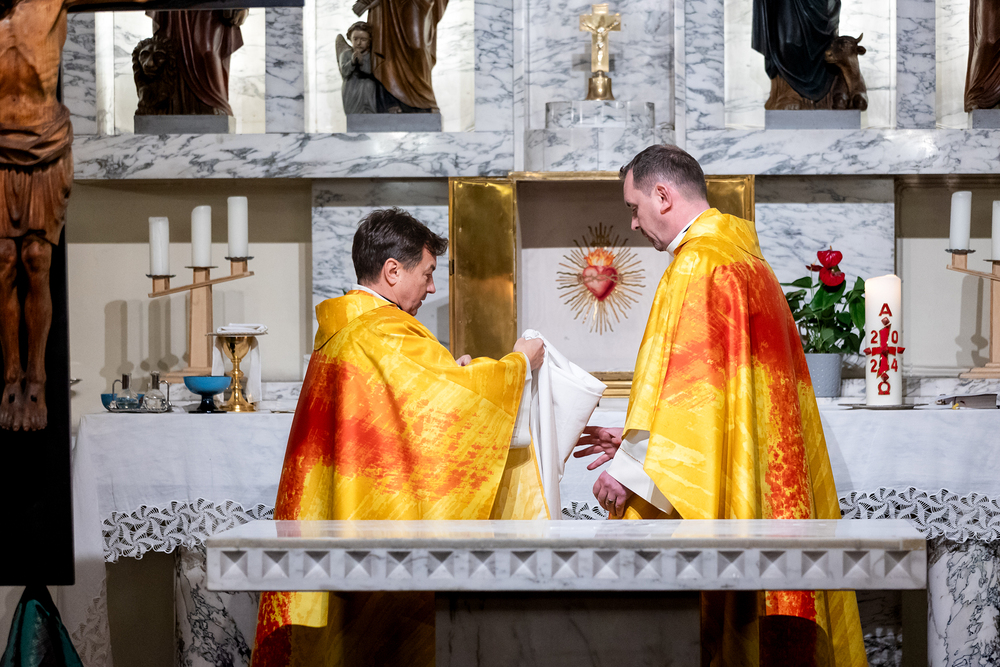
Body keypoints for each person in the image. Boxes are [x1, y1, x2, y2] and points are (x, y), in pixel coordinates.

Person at [573, 145, 867, 666]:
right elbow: (728, 403)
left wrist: (633, 467)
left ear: (662, 195)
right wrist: (644, 445)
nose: (634, 224)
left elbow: (692, 393)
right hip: (767, 483)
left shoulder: (698, 264)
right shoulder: (748, 260)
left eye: (634, 208)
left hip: (728, 493)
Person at [251, 208, 546, 667]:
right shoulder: (381, 331)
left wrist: (449, 379)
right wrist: (520, 363)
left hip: (338, 517)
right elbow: (453, 418)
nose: (432, 288)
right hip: (377, 531)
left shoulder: (346, 328)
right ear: (393, 271)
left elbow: (408, 413)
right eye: (427, 274)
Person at [352, 0, 446, 112]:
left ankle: (422, 99)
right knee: (387, 49)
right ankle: (391, 101)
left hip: (416, 4)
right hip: (386, 5)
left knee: (418, 48)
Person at [752, 0, 841, 105]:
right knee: (787, 43)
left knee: (805, 42)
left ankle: (811, 93)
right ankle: (790, 92)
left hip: (816, 8)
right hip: (787, 6)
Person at [337, 21, 379, 115]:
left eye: (363, 39)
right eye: (355, 39)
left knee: (370, 113)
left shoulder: (373, 56)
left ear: (369, 41)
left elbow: (375, 73)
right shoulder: (346, 54)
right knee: (353, 114)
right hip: (352, 88)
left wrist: (362, 63)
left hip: (369, 89)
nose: (359, 43)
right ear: (350, 39)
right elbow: (344, 72)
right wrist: (352, 62)